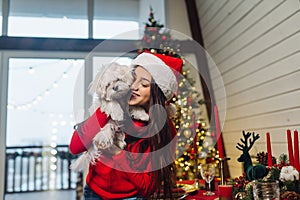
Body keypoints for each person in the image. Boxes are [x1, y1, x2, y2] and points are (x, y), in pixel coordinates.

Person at [69, 50, 183, 200]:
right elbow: (75, 147)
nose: (134, 87)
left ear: (158, 93)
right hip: (94, 193)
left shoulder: (163, 130)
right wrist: (107, 107)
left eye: (144, 84)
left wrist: (118, 154)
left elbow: (148, 187)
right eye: (133, 79)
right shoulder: (110, 109)